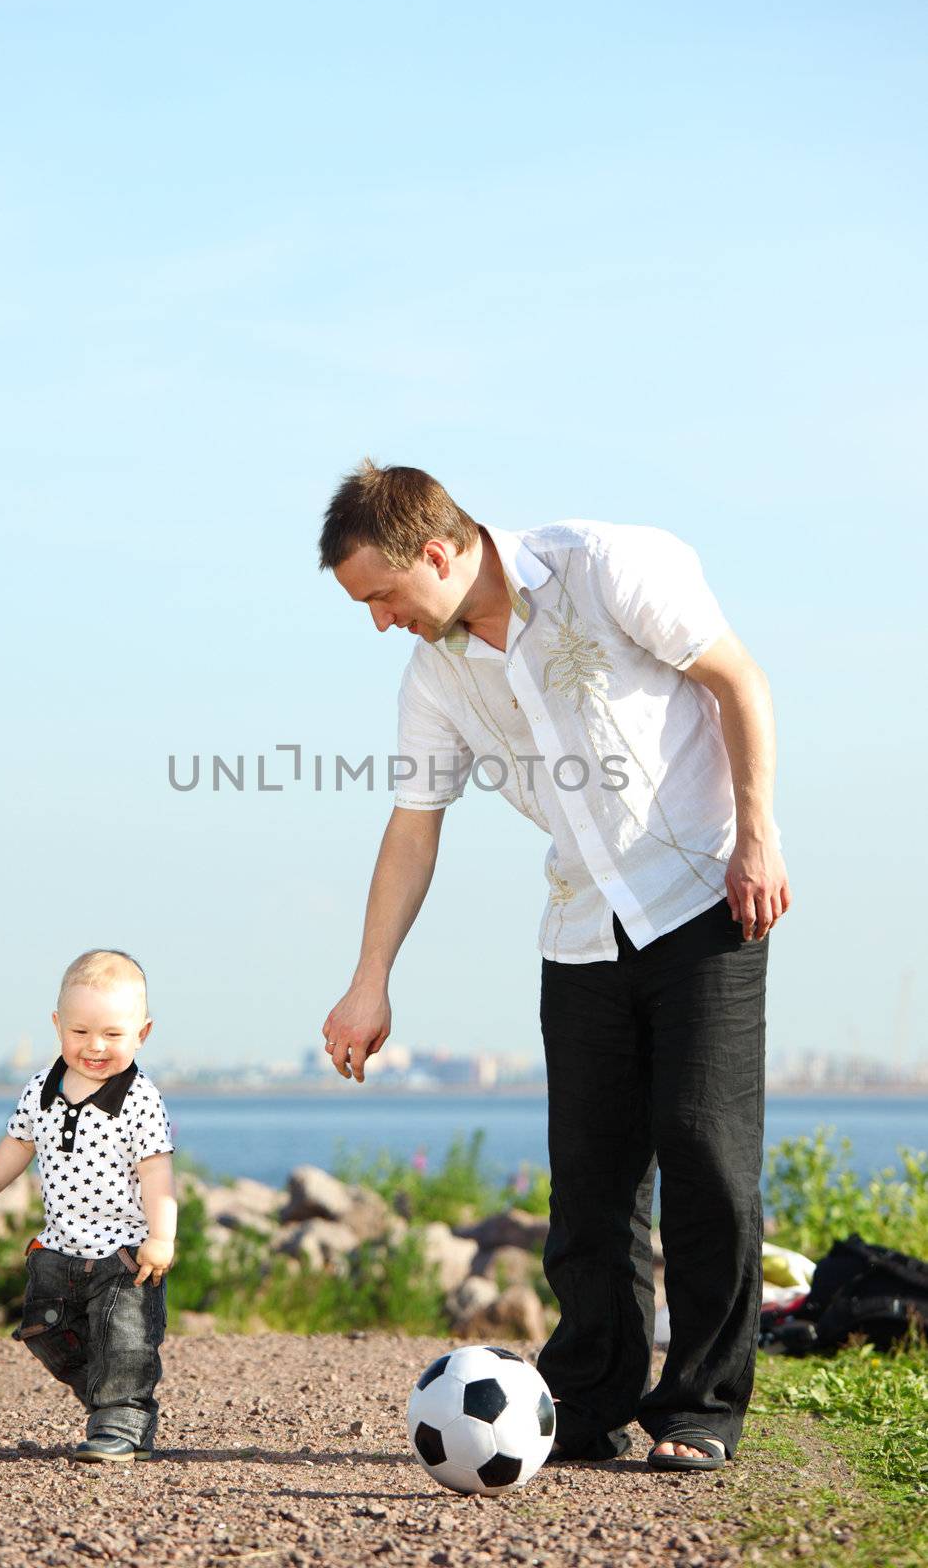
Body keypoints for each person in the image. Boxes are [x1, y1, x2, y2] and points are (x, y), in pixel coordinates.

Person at [318, 460, 790, 1472]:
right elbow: (411, 831)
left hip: (704, 896)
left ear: (437, 553)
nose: (379, 622)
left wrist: (758, 836)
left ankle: (700, 1407)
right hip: (578, 929)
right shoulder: (434, 676)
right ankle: (586, 1398)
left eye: (382, 596)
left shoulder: (607, 564)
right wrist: (369, 980)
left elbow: (736, 681)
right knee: (588, 1186)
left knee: (706, 1154)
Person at [0, 949, 176, 1464]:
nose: (95, 1047)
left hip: (123, 1256)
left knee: (126, 1340)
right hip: (57, 1248)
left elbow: (157, 1172)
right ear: (58, 1025)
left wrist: (161, 1237)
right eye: (80, 1033)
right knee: (44, 1328)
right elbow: (18, 1143)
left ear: (142, 1033)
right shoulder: (41, 1089)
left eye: (112, 1035)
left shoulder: (140, 1098)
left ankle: (122, 1418)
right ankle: (109, 1395)